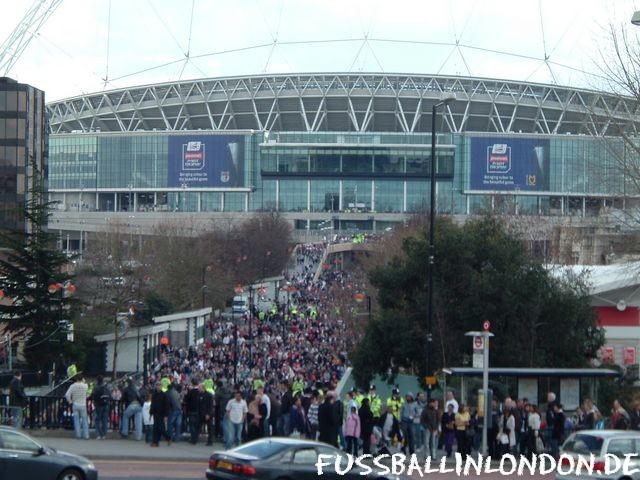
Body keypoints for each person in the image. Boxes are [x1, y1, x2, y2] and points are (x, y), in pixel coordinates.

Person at [65, 374, 89, 440]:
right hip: (83, 404)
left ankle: (78, 435)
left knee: (76, 420)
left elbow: (67, 394)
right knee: (84, 420)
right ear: (82, 379)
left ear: (76, 379)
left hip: (75, 404)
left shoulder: (73, 386)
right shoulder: (85, 386)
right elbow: (88, 394)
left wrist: (70, 401)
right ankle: (86, 435)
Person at [150, 381, 171, 447]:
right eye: (157, 385)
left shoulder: (164, 395)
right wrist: (151, 412)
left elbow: (167, 406)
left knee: (161, 428)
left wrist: (166, 415)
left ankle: (168, 438)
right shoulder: (154, 394)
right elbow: (152, 404)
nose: (158, 387)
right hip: (155, 413)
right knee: (155, 428)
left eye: (159, 385)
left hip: (161, 414)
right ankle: (155, 442)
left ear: (161, 386)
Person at [91, 375, 110, 440]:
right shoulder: (106, 387)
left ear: (97, 380)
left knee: (97, 420)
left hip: (98, 405)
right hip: (106, 404)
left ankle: (98, 434)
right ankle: (104, 434)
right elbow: (110, 395)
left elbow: (92, 395)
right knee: (104, 420)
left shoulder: (96, 387)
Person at [184, 379, 200, 444]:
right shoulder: (199, 391)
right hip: (198, 410)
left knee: (192, 425)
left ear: (192, 384)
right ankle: (196, 437)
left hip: (191, 410)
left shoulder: (190, 392)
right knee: (197, 425)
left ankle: (193, 438)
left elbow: (186, 401)